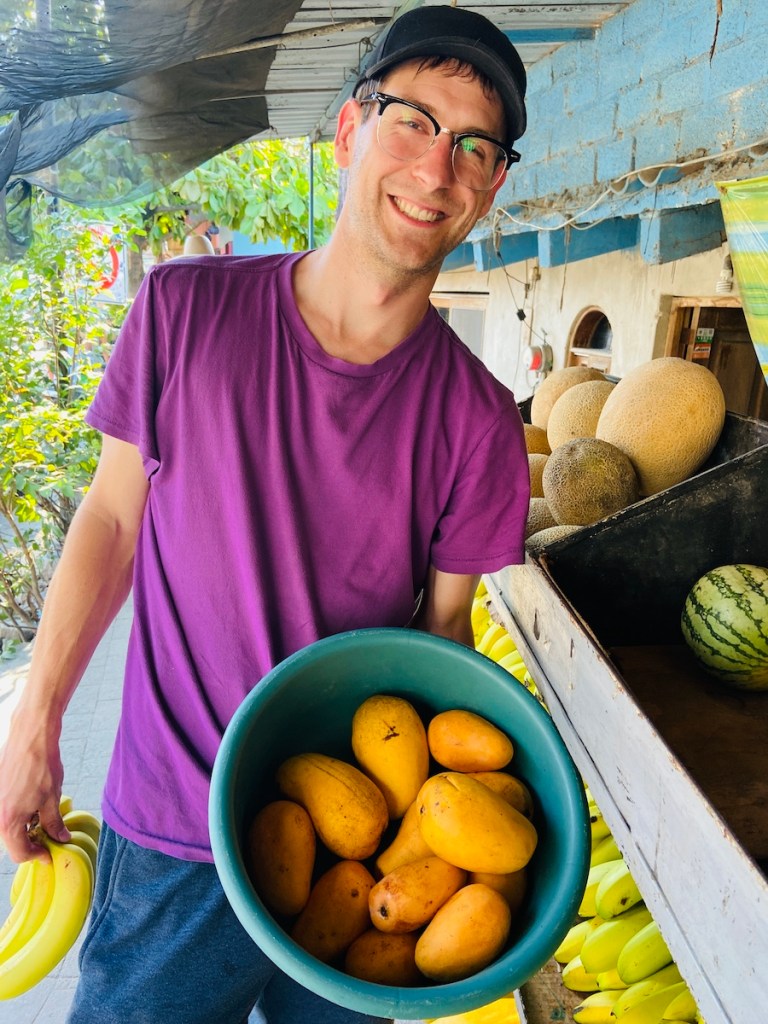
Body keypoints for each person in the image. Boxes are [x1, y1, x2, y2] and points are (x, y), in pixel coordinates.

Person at [0, 6, 530, 1022]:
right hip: (169, 834)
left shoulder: (478, 421)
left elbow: (443, 637)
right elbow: (110, 521)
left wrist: (453, 849)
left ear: (492, 184)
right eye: (413, 121)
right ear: (346, 131)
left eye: (474, 145)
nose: (436, 167)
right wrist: (36, 723)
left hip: (352, 852)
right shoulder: (184, 313)